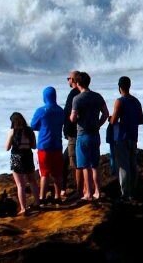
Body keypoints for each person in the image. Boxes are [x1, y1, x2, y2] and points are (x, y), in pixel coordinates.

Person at [69, 72, 109, 201]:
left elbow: (73, 118)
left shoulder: (77, 99)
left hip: (82, 134)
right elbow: (106, 114)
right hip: (95, 134)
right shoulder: (97, 96)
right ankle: (98, 191)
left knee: (85, 166)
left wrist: (73, 117)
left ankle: (88, 193)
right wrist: (98, 124)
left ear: (78, 83)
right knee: (95, 165)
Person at [108, 76, 143, 200]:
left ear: (119, 87)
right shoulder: (136, 101)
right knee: (133, 164)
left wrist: (110, 118)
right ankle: (133, 191)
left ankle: (125, 194)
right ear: (129, 86)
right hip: (133, 136)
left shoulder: (119, 101)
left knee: (123, 166)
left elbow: (113, 120)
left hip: (122, 137)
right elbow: (141, 120)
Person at [30, 86, 65, 202]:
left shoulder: (41, 111)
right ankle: (57, 196)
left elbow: (33, 125)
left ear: (44, 97)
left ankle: (42, 198)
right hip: (57, 145)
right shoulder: (61, 110)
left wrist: (43, 126)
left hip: (44, 145)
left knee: (44, 174)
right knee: (57, 174)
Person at [6, 112, 40, 214]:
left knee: (20, 185)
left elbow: (7, 148)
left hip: (17, 157)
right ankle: (37, 203)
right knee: (32, 181)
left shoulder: (13, 132)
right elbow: (34, 146)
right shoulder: (29, 131)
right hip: (28, 156)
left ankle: (23, 208)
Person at [61, 70, 81, 199]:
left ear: (73, 80)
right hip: (79, 133)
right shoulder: (80, 93)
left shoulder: (74, 94)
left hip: (74, 134)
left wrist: (67, 130)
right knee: (70, 161)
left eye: (68, 78)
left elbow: (68, 114)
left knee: (73, 163)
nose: (68, 80)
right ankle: (78, 188)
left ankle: (79, 190)